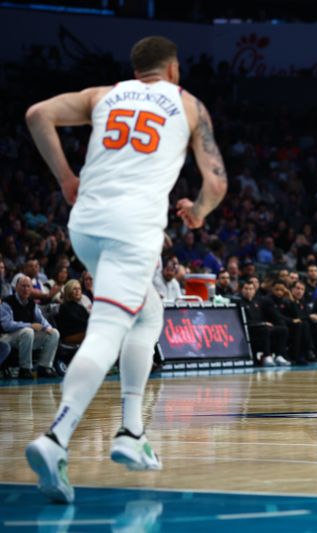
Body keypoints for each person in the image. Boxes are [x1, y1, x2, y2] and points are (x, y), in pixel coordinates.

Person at [23, 36, 227, 502]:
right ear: (173, 69)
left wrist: (66, 179)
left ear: (136, 69)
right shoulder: (188, 104)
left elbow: (37, 115)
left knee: (149, 313)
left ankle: (131, 433)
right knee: (108, 331)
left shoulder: (103, 94)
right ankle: (55, 438)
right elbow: (215, 182)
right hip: (131, 229)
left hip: (87, 225)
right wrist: (197, 211)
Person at [0, 275, 60, 378]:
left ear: (31, 288)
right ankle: (25, 368)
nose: (26, 289)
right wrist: (30, 325)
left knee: (54, 333)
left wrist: (48, 328)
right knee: (28, 331)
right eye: (23, 286)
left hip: (25, 337)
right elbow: (7, 325)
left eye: (28, 286)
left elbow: (42, 320)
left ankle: (44, 367)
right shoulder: (7, 302)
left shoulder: (32, 303)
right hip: (6, 338)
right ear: (16, 287)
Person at [56, 279, 90, 344]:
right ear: (69, 291)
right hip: (70, 336)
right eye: (74, 289)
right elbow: (76, 323)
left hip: (82, 333)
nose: (77, 291)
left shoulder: (81, 307)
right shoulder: (64, 306)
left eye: (79, 289)